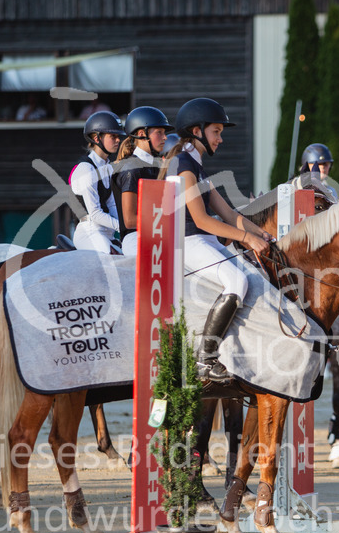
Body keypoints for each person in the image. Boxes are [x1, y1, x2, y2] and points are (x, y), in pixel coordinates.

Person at [161, 97, 273, 382]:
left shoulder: (196, 165)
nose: (220, 139)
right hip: (185, 242)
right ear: (197, 131)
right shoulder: (183, 164)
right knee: (238, 282)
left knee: (255, 277)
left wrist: (261, 233)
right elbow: (201, 219)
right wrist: (247, 238)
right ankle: (205, 359)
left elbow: (228, 213)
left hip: (202, 240)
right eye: (216, 132)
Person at [113, 106, 175, 255]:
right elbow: (129, 220)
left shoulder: (157, 166)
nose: (165, 137)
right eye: (159, 133)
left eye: (164, 133)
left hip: (157, 233)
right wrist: (169, 222)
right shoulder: (131, 168)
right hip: (135, 237)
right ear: (142, 134)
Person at [71, 111, 123, 254]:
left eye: (118, 137)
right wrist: (122, 226)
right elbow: (95, 214)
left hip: (108, 233)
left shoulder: (107, 168)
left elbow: (112, 205)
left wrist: (128, 230)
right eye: (113, 136)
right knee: (110, 259)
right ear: (96, 138)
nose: (118, 140)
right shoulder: (86, 169)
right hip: (89, 233)